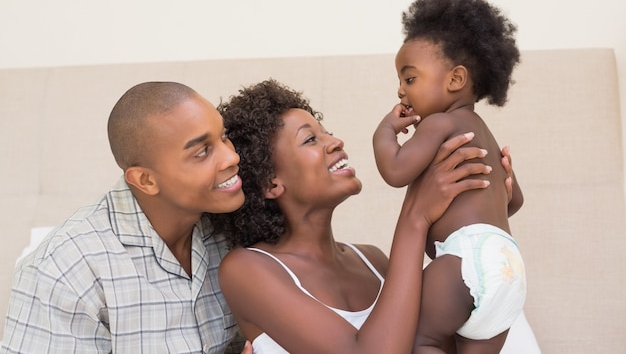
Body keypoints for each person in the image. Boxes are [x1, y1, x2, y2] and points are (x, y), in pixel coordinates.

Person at [209, 79, 516, 354]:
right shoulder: (246, 270)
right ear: (270, 182)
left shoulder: (374, 261)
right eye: (310, 140)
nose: (336, 142)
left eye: (326, 133)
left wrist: (487, 202)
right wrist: (415, 216)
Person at [0, 82, 251, 354]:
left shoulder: (235, 228)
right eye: (201, 152)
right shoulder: (64, 270)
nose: (231, 156)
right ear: (145, 180)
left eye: (224, 136)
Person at [372, 0, 526, 353]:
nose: (400, 91)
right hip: (508, 266)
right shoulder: (482, 131)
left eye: (409, 79)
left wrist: (384, 132)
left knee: (422, 338)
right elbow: (512, 201)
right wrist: (506, 185)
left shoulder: (440, 124)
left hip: (465, 258)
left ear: (455, 80)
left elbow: (395, 171)